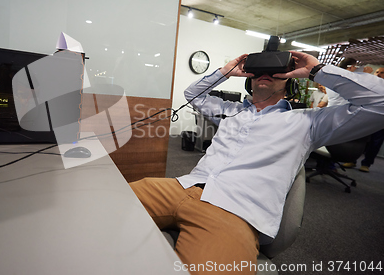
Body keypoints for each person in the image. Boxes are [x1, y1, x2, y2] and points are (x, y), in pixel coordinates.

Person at [129, 51, 384, 275]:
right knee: (98, 203)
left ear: (290, 80)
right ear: (250, 79)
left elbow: (379, 105)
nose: (267, 74)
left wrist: (317, 71)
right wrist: (226, 72)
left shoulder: (308, 123)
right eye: (260, 70)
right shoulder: (231, 111)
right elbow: (192, 94)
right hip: (181, 188)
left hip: (234, 211)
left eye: (277, 70)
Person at [343, 67, 384, 172]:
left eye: (382, 73)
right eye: (377, 72)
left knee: (375, 142)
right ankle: (351, 160)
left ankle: (366, 164)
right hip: (365, 116)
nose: (378, 74)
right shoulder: (371, 84)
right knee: (358, 138)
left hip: (380, 119)